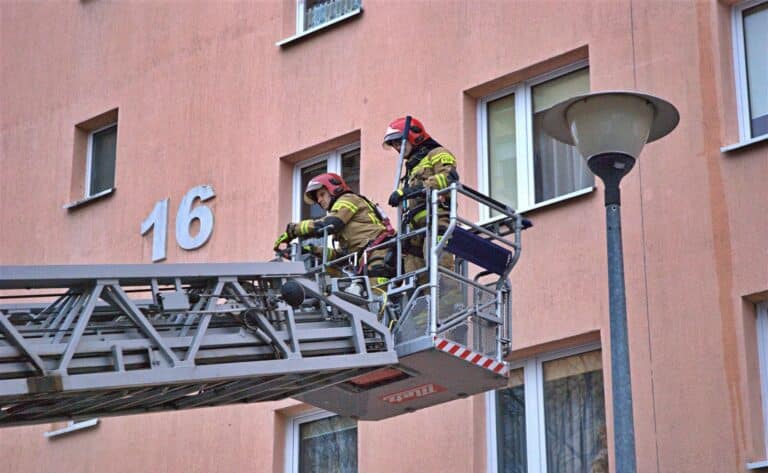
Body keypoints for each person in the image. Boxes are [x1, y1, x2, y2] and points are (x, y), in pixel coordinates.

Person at [273, 172, 395, 290]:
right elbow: (342, 255)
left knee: (377, 297)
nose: (319, 200)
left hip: (379, 252)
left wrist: (295, 229)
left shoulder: (347, 199)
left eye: (322, 194)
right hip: (366, 255)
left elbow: (329, 224)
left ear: (334, 189)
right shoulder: (345, 221)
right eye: (317, 198)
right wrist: (311, 250)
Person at [383, 116, 459, 279]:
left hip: (437, 219)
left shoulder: (438, 153)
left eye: (398, 142)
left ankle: (448, 303)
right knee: (413, 274)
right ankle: (420, 304)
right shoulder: (411, 168)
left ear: (414, 135)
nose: (397, 147)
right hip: (415, 230)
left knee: (439, 269)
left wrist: (408, 191)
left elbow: (448, 178)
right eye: (394, 144)